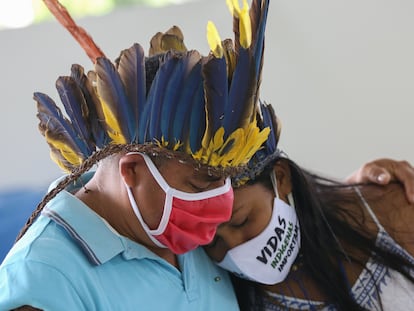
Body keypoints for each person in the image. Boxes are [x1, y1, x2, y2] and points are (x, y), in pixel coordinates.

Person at [1, 1, 413, 311]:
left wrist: (362, 192)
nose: (219, 209)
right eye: (203, 184)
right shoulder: (44, 281)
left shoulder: (174, 229)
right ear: (131, 172)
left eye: (226, 182)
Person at [205, 102, 414, 311]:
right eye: (213, 242)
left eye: (242, 221)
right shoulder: (223, 295)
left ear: (281, 177)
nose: (234, 246)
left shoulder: (388, 209)